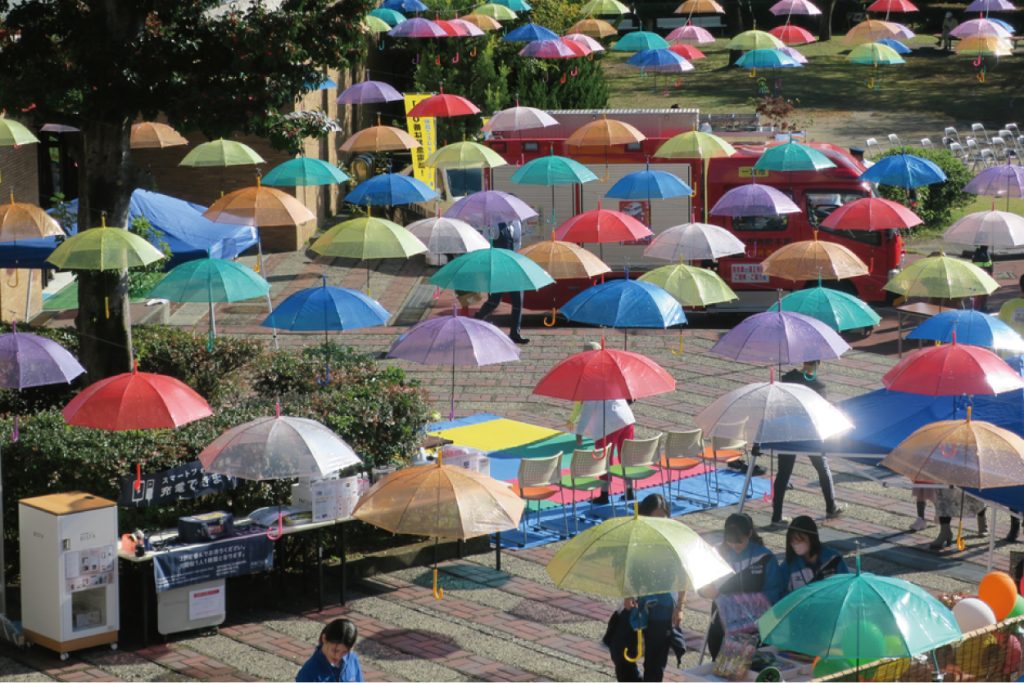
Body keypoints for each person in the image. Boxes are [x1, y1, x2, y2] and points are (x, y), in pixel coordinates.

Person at [605, 494, 686, 681]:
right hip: (636, 601)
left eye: (662, 520)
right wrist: (626, 593)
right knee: (620, 651)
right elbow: (621, 567)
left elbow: (683, 576)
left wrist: (680, 607)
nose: (657, 524)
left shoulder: (672, 541)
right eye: (653, 519)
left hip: (663, 605)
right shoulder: (633, 537)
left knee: (655, 662)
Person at [698, 513, 784, 660]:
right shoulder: (715, 554)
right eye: (730, 542)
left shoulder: (764, 557)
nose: (735, 546)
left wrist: (747, 602)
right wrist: (705, 591)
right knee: (720, 666)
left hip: (754, 627)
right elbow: (701, 583)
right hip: (722, 625)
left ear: (749, 534)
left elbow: (774, 592)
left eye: (740, 542)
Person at [771, 360, 843, 525]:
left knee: (783, 474)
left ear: (803, 361)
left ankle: (776, 516)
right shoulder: (819, 386)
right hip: (810, 433)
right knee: (822, 467)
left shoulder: (787, 378)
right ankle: (831, 507)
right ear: (819, 363)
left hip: (788, 430)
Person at [475, 219, 528, 344]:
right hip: (497, 266)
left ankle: (515, 333)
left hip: (512, 264)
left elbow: (517, 242)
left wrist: (513, 258)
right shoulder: (493, 224)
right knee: (494, 301)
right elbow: (485, 243)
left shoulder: (516, 223)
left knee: (518, 300)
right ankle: (478, 318)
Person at [778, 516, 848, 596]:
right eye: (792, 540)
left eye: (800, 539)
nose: (795, 544)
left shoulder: (833, 559)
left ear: (811, 538)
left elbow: (846, 584)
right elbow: (780, 595)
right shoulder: (788, 566)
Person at [296, 618, 364, 682]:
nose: (338, 656)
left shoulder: (352, 659)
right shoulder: (308, 673)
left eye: (345, 652)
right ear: (324, 639)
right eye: (335, 650)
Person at [972, 245, 993, 312]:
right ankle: (979, 309)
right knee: (981, 295)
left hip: (979, 276)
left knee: (981, 295)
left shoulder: (977, 253)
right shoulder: (985, 254)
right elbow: (989, 266)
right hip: (984, 276)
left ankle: (981, 308)